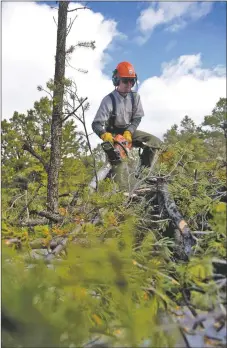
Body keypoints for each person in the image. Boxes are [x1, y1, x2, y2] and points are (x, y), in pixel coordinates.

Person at [92, 61, 162, 167]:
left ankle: (144, 171)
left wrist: (129, 131)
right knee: (118, 164)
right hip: (113, 134)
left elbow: (137, 118)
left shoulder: (135, 97)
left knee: (155, 142)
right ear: (116, 80)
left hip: (128, 131)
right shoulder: (108, 100)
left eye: (132, 81)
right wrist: (104, 135)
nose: (129, 84)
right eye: (125, 81)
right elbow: (96, 124)